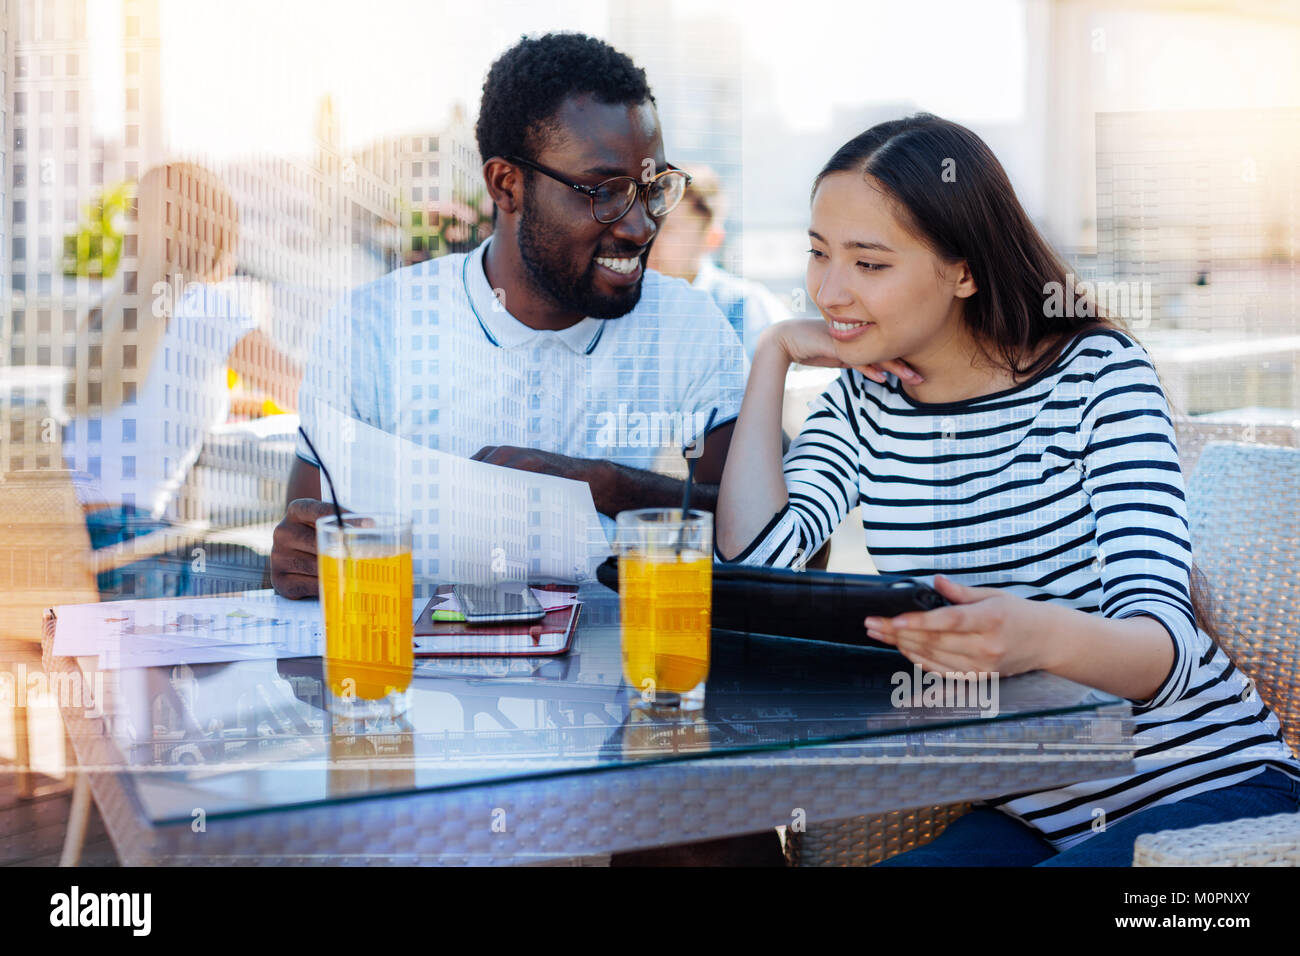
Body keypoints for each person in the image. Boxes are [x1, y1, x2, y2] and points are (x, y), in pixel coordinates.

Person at [715, 114, 1300, 866]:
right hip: (1037, 810)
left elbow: (1166, 652)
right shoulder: (866, 405)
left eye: (870, 264)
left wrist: (1036, 636)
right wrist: (773, 356)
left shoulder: (1097, 375)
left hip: (1204, 791)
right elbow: (762, 561)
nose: (829, 291)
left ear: (963, 270)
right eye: (819, 254)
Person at [272, 33, 749, 600]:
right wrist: (296, 564)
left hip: (627, 679)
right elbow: (303, 555)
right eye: (604, 191)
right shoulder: (375, 327)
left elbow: (782, 538)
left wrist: (602, 485)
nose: (640, 226)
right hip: (418, 681)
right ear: (507, 184)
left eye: (652, 189)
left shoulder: (687, 326)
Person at [64, 162, 300, 599]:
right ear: (214, 238)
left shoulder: (106, 314)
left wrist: (236, 404)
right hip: (134, 561)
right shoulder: (206, 306)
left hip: (71, 553)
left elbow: (142, 403)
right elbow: (306, 392)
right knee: (295, 570)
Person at [646, 164, 790, 362]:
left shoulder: (747, 309)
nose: (650, 238)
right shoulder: (625, 301)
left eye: (669, 229)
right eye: (649, 223)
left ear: (711, 239)